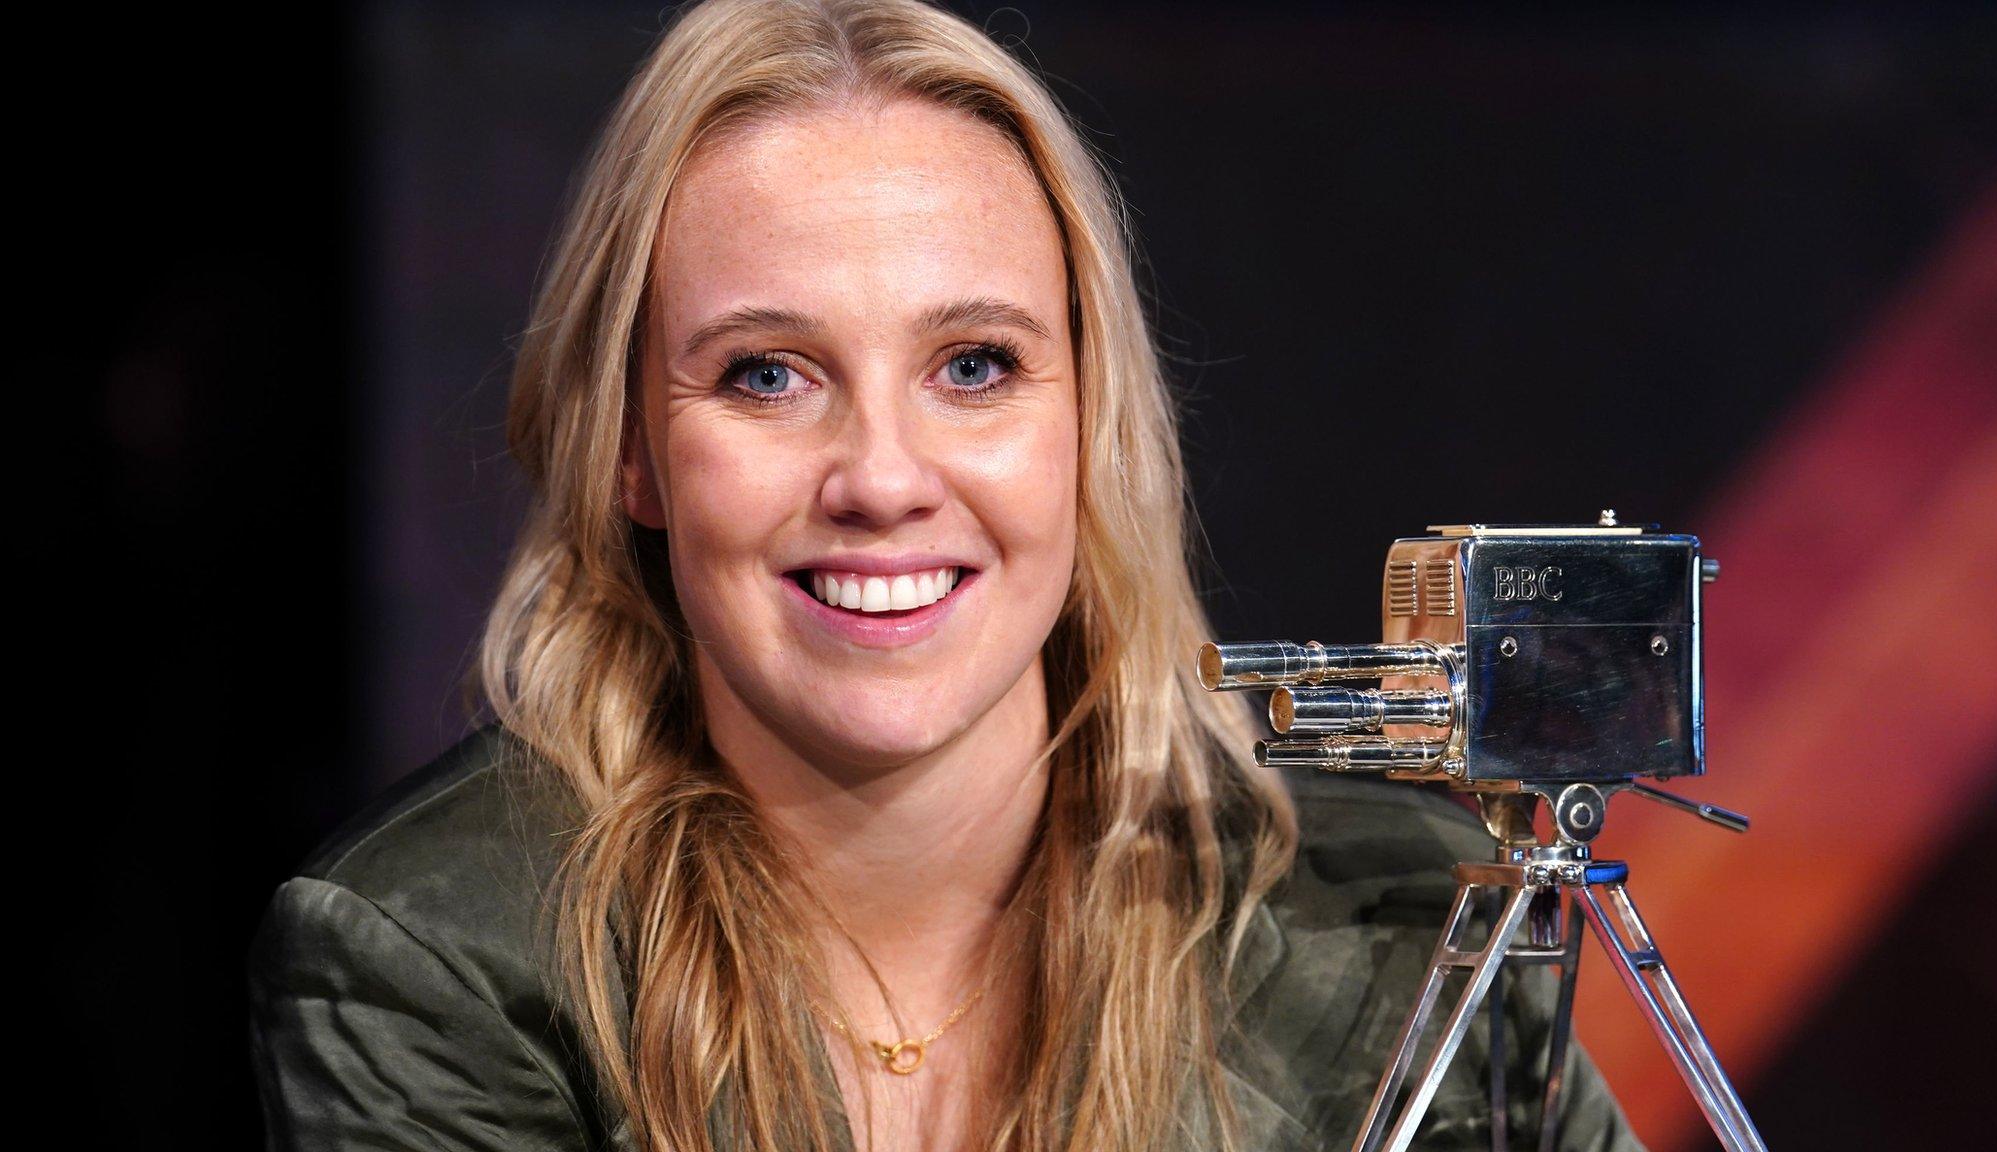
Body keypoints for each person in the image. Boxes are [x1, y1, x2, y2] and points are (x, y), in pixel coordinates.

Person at [246, 1, 1643, 1149]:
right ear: (633, 455)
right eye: (767, 375)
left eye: (973, 367)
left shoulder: (1417, 925)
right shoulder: (438, 961)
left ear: (1088, 424)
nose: (883, 477)